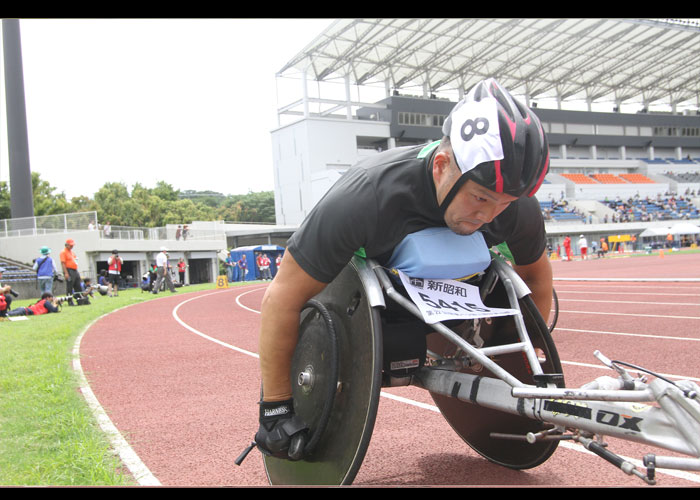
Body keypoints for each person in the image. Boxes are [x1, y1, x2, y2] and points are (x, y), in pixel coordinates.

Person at [251, 78, 551, 461]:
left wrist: (529, 359)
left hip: (462, 302)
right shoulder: (365, 195)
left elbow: (537, 278)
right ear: (442, 166)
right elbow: (282, 297)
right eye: (480, 198)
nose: (490, 215)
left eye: (505, 203)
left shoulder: (517, 205)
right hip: (378, 307)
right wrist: (275, 407)